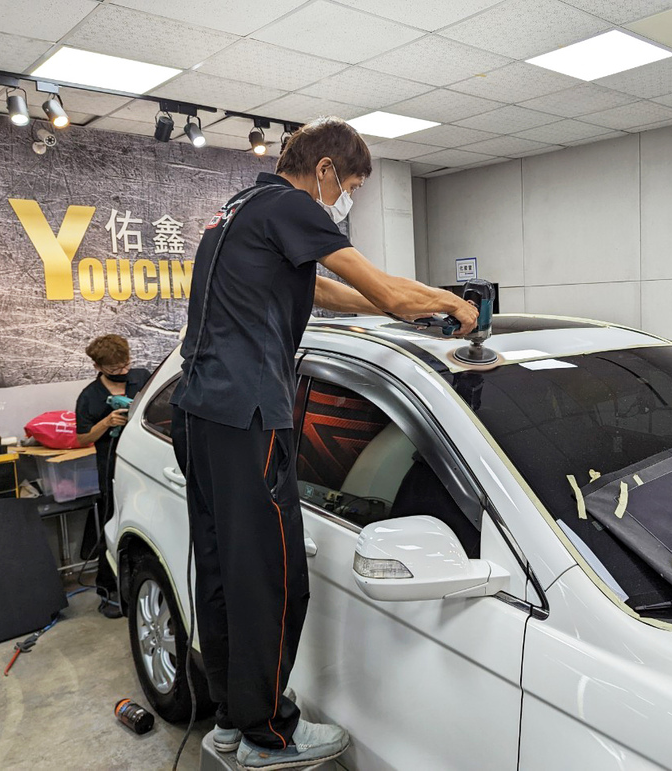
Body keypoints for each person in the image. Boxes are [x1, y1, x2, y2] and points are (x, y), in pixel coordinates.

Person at [171, 116, 478, 770]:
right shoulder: (291, 203)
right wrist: (448, 303)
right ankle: (269, 733)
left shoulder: (240, 210)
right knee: (275, 579)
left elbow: (329, 291)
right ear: (327, 170)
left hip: (199, 415)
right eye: (353, 185)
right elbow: (384, 287)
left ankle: (230, 719)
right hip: (249, 413)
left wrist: (391, 307)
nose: (349, 199)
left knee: (223, 572)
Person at [75, 334, 151, 618]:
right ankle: (108, 592)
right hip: (111, 470)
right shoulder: (90, 397)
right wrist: (107, 422)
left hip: (145, 465)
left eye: (125, 364)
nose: (123, 371)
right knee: (113, 525)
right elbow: (83, 438)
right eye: (115, 368)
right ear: (98, 366)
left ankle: (140, 585)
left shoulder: (142, 377)